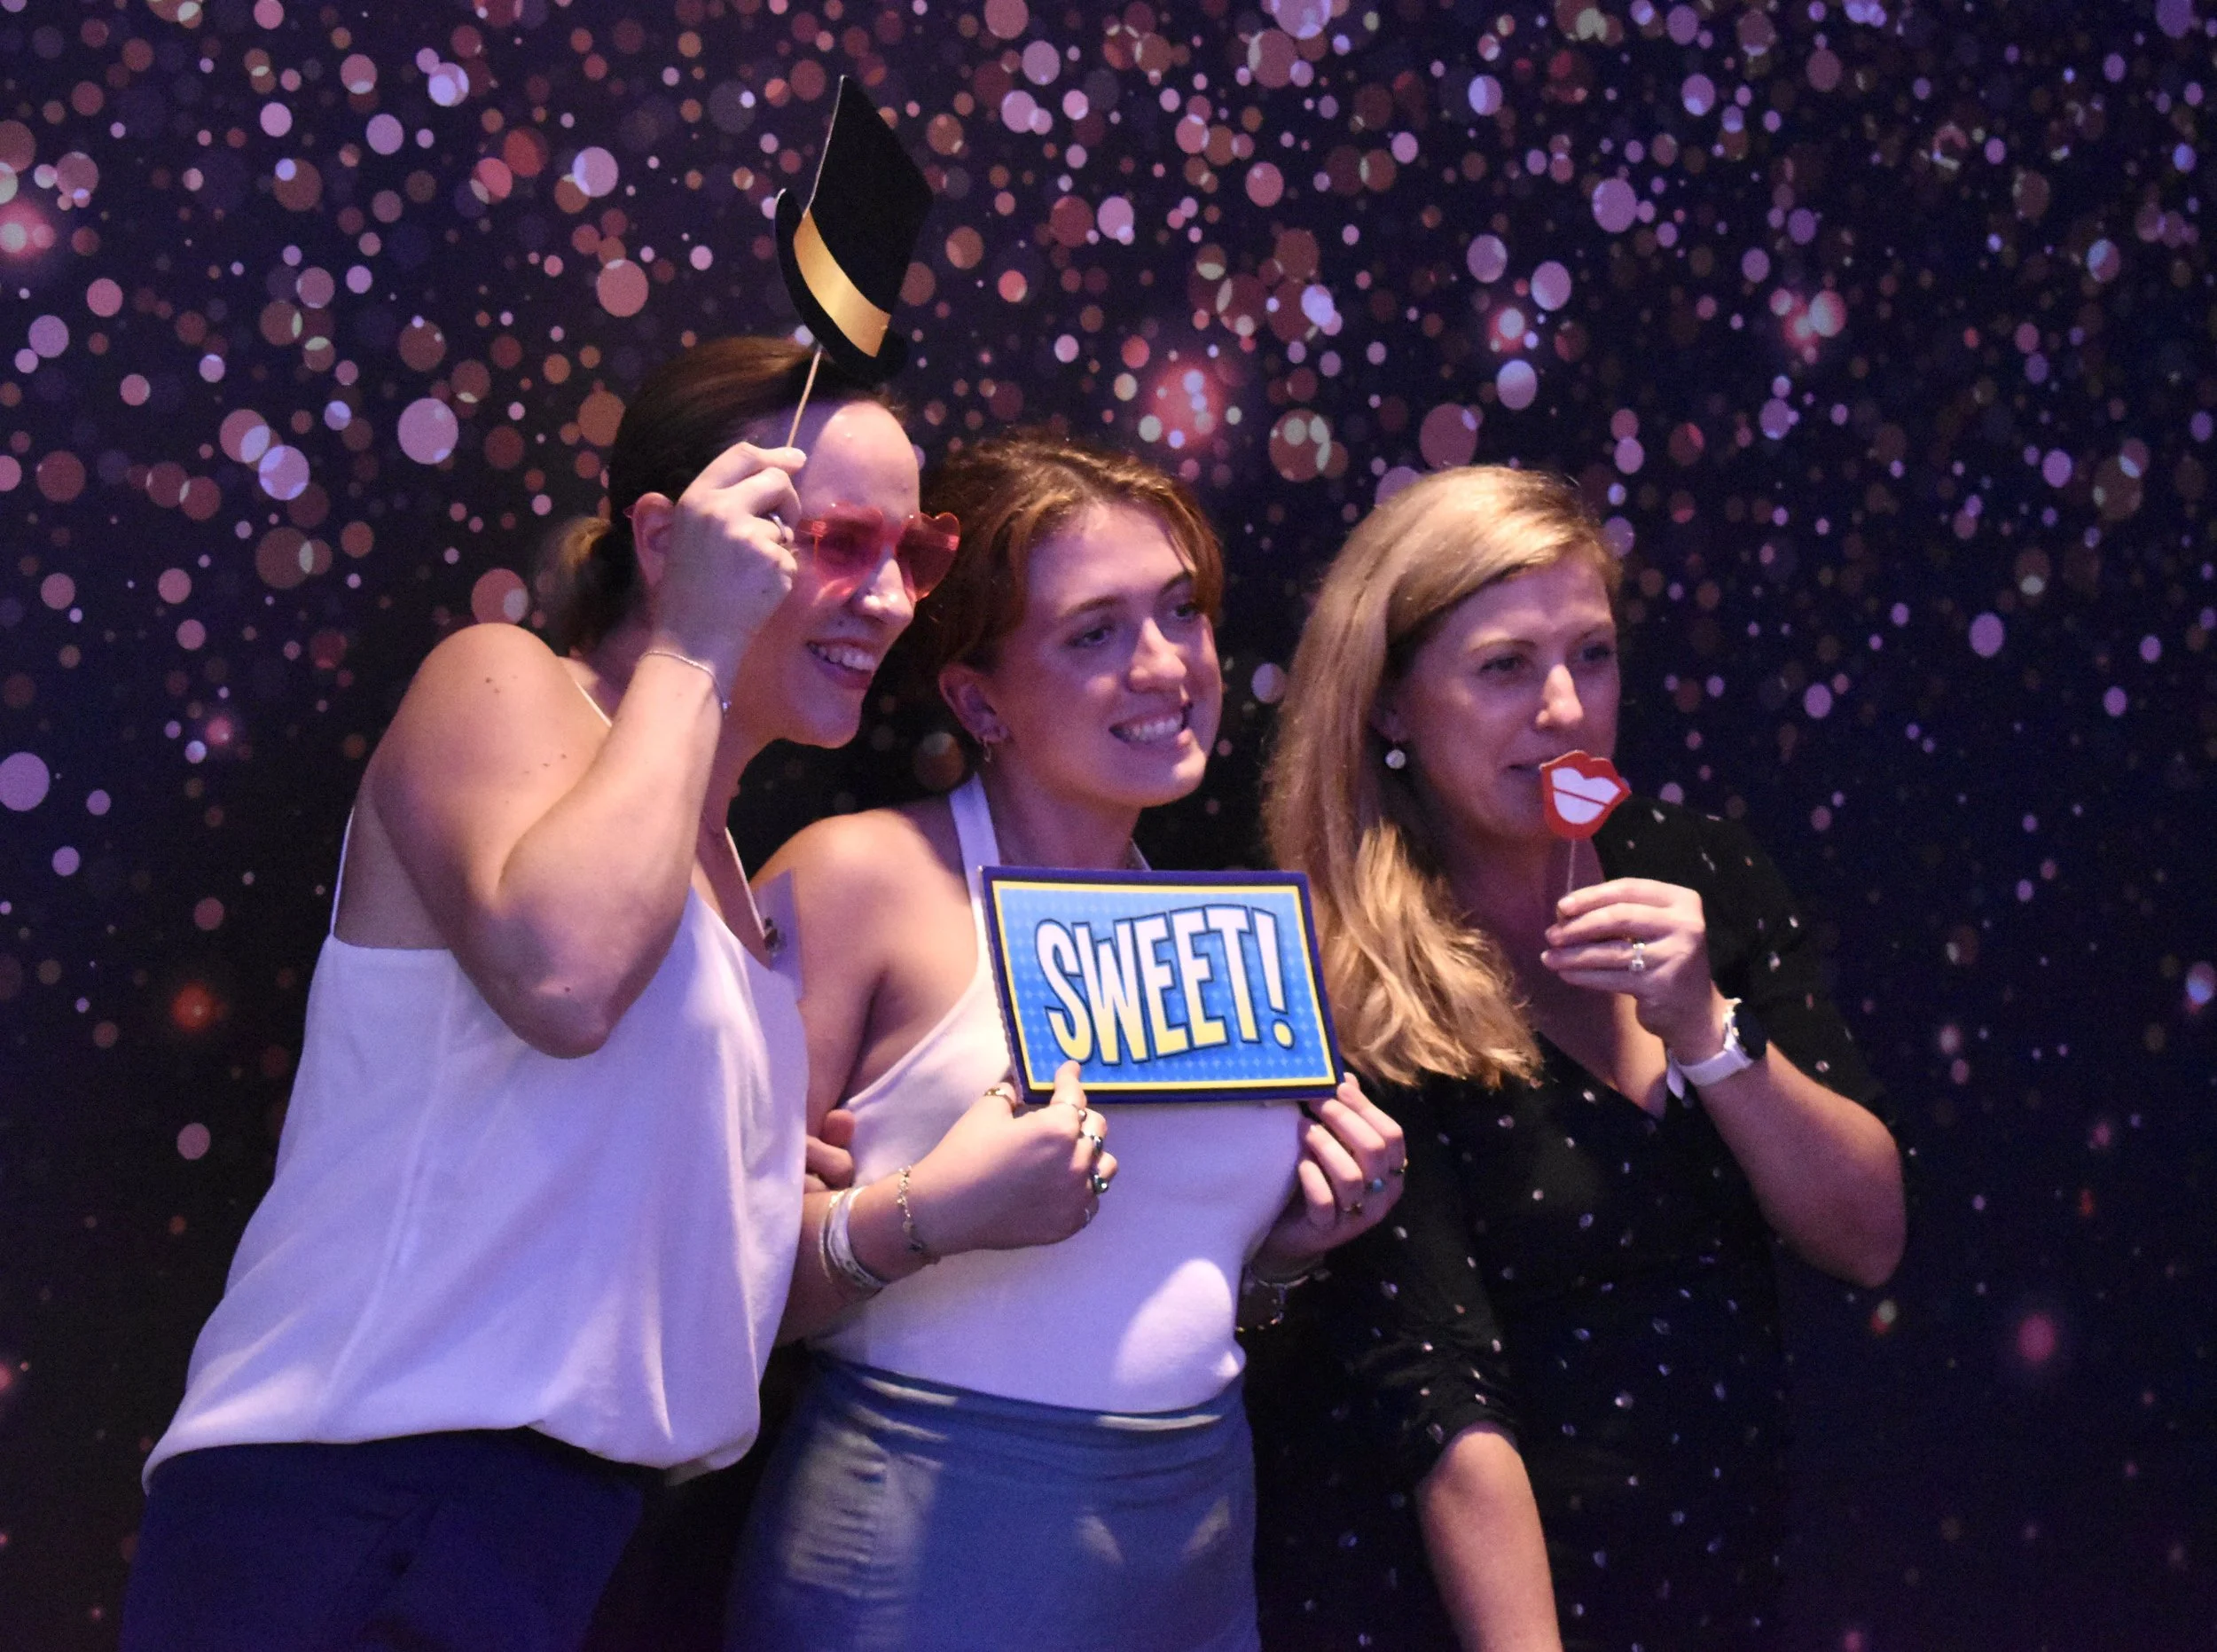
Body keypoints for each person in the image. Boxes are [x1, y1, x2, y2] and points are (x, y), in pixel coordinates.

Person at [122, 337, 935, 1652]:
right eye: (837, 538)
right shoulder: (502, 680)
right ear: (672, 537)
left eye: (918, 550)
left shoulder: (727, 870)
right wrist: (698, 642)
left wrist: (900, 1213)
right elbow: (563, 974)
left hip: (574, 1538)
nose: (890, 597)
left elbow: (675, 1302)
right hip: (367, 1489)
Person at [724, 431, 1408, 1652]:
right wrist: (926, 1213)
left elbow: (1164, 1285)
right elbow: (702, 1292)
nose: (1163, 667)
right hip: (927, 1542)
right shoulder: (860, 882)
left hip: (1194, 1539)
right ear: (978, 696)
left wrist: (1291, 1249)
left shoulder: (1218, 933)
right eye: (1094, 632)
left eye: (1180, 612)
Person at [1250, 465, 1907, 1651]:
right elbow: (1444, 1404)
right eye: (1505, 666)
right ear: (1391, 704)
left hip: (1716, 1580)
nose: (1565, 709)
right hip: (1467, 1606)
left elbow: (1866, 1235)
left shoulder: (1700, 869)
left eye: (1592, 655)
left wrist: (1709, 1030)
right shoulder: (1342, 972)